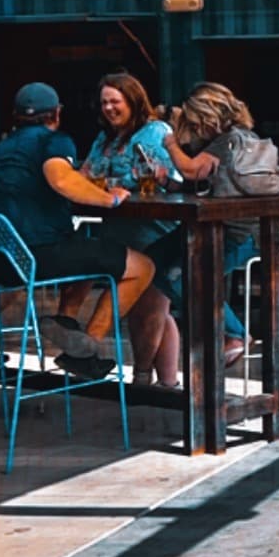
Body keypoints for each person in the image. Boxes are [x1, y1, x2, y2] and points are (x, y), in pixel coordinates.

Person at [0, 80, 155, 376]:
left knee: (88, 249)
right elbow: (61, 180)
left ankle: (65, 322)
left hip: (2, 258)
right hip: (41, 255)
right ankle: (85, 349)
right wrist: (109, 199)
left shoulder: (2, 148)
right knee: (143, 266)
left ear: (16, 115)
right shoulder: (53, 141)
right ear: (56, 113)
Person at [81, 70, 215, 389]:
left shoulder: (155, 131)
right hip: (120, 229)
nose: (109, 108)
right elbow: (86, 172)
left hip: (155, 228)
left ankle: (145, 379)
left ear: (133, 100)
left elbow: (174, 180)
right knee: (145, 306)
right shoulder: (106, 138)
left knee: (151, 305)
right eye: (104, 103)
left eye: (115, 102)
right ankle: (166, 383)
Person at [165, 84, 279, 362]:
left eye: (194, 122)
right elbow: (204, 183)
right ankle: (227, 332)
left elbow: (193, 169)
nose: (192, 128)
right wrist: (168, 183)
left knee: (184, 277)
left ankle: (236, 333)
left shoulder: (227, 140)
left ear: (208, 117)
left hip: (239, 233)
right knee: (164, 267)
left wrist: (170, 143)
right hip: (239, 229)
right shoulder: (244, 138)